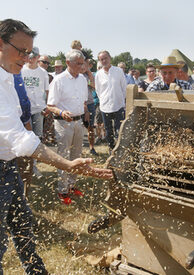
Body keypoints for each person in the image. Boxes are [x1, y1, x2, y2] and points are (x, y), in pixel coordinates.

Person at [0, 18, 113, 275]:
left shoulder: (8, 76)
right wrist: (66, 163)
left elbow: (22, 126)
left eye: (29, 52)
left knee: (23, 225)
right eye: (21, 51)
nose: (27, 58)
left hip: (7, 167)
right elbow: (19, 137)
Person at [47, 49, 91, 205]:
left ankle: (72, 186)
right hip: (63, 123)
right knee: (64, 156)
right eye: (78, 63)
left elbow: (83, 101)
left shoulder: (82, 80)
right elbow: (50, 105)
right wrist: (60, 111)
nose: (81, 66)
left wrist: (85, 112)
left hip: (78, 122)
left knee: (76, 155)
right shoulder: (58, 81)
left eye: (82, 63)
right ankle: (62, 190)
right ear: (68, 62)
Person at [95, 50, 127, 150]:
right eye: (101, 59)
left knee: (119, 130)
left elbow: (124, 88)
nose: (104, 61)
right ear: (99, 61)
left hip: (118, 105)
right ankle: (111, 149)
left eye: (105, 58)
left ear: (110, 58)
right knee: (109, 131)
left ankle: (120, 150)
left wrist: (122, 101)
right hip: (105, 107)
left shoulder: (118, 71)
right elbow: (98, 90)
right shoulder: (98, 74)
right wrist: (104, 100)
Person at [21, 46, 50, 139]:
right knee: (27, 137)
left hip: (39, 109)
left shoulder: (43, 72)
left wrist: (48, 106)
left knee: (38, 136)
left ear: (38, 57)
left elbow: (47, 91)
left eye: (33, 57)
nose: (31, 59)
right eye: (29, 56)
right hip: (24, 108)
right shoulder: (21, 70)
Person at [81, 53, 98, 155]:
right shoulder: (75, 74)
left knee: (90, 127)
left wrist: (89, 73)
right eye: (83, 64)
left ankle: (92, 147)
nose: (84, 66)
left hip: (90, 103)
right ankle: (78, 149)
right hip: (79, 104)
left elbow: (94, 86)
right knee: (78, 127)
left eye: (86, 65)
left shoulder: (89, 75)